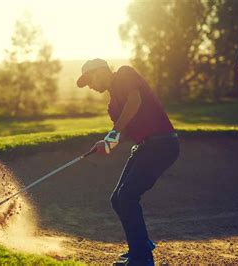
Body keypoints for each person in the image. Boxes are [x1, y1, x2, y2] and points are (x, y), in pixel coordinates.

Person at [76, 59, 180, 265]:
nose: (90, 86)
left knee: (128, 196)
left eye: (90, 79)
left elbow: (135, 102)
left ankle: (142, 259)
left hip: (163, 144)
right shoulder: (112, 107)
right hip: (145, 147)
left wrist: (113, 133)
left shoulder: (124, 74)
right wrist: (107, 143)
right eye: (86, 83)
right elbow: (124, 133)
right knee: (117, 199)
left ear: (103, 70)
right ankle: (138, 247)